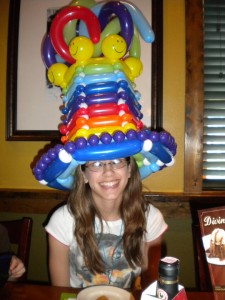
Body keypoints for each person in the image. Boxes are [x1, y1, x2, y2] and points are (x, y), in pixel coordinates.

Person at [45, 156, 168, 289]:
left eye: (116, 161)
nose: (108, 171)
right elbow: (60, 291)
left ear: (130, 169)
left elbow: (150, 282)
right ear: (84, 175)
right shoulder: (63, 220)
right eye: (96, 164)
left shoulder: (150, 218)